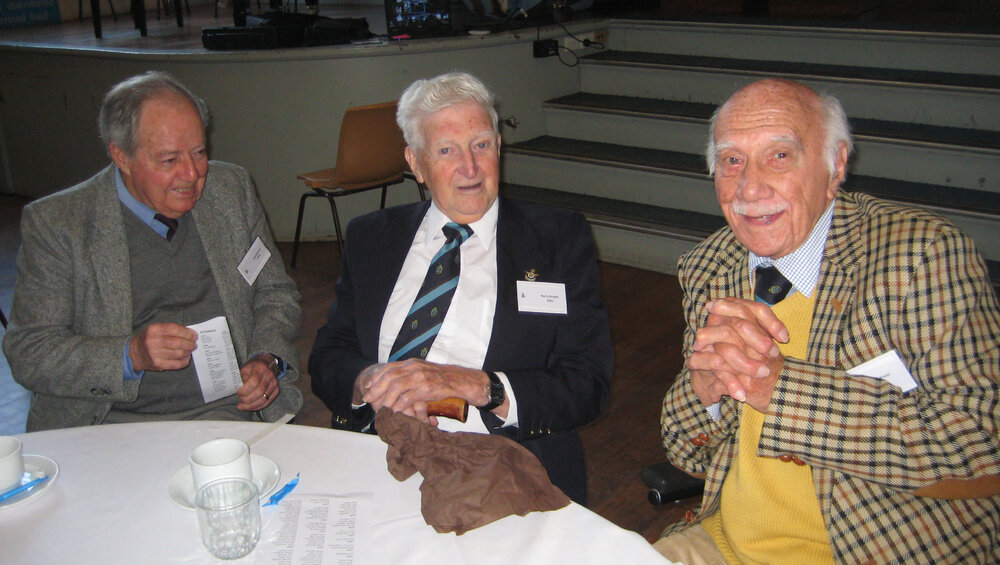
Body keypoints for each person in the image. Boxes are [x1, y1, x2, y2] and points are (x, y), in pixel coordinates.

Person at [656, 78, 1000, 564]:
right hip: (724, 543)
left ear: (835, 165)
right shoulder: (712, 267)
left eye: (779, 156)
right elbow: (685, 451)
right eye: (732, 161)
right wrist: (703, 392)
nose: (749, 188)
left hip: (876, 549)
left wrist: (779, 390)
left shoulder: (918, 256)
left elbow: (984, 438)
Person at [308, 71, 613, 504]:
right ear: (415, 163)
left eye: (481, 145)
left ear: (499, 147)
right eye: (447, 150)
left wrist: (476, 385)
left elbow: (587, 384)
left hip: (503, 466)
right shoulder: (372, 237)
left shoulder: (557, 240)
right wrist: (371, 381)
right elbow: (329, 354)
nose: (469, 168)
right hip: (377, 455)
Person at [3, 71, 303, 431]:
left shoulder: (230, 191)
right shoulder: (60, 224)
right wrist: (130, 354)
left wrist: (266, 359)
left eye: (199, 152)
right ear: (122, 157)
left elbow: (275, 293)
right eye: (169, 160)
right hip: (109, 424)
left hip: (227, 415)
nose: (191, 174)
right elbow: (29, 351)